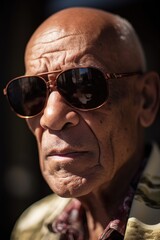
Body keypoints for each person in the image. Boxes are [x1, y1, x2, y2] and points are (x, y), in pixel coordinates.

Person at [4, 6, 160, 240]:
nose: (50, 117)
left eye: (83, 84)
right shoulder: (32, 227)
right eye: (31, 93)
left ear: (145, 99)